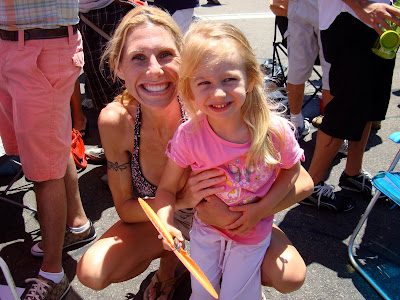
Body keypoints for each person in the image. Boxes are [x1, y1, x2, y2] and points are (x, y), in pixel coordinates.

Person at [76, 6, 313, 300]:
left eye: (165, 55)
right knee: (92, 271)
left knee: (289, 276)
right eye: (138, 57)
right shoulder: (117, 121)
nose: (154, 70)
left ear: (183, 59)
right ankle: (173, 269)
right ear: (118, 66)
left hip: (235, 217)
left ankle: (236, 275)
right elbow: (125, 207)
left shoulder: (210, 104)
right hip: (171, 219)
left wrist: (251, 214)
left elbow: (300, 180)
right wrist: (185, 200)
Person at [154, 22, 304, 299]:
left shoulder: (275, 131)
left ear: (251, 79)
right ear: (189, 90)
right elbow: (165, 189)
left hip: (252, 234)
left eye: (229, 79)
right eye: (204, 83)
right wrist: (166, 224)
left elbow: (291, 172)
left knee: (237, 296)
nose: (219, 93)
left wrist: (261, 211)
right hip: (206, 231)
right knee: (202, 294)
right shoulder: (189, 136)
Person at [0, 1, 96, 299]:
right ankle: (77, 223)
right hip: (14, 42)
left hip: (42, 45)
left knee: (43, 171)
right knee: (47, 152)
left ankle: (53, 274)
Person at [303, 0, 400, 212]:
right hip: (350, 19)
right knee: (345, 107)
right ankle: (311, 186)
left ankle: (352, 174)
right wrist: (361, 5)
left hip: (381, 20)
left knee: (369, 105)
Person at [285, 0, 333, 139]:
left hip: (303, 6)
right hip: (332, 8)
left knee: (297, 70)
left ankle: (296, 124)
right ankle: (332, 131)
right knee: (331, 73)